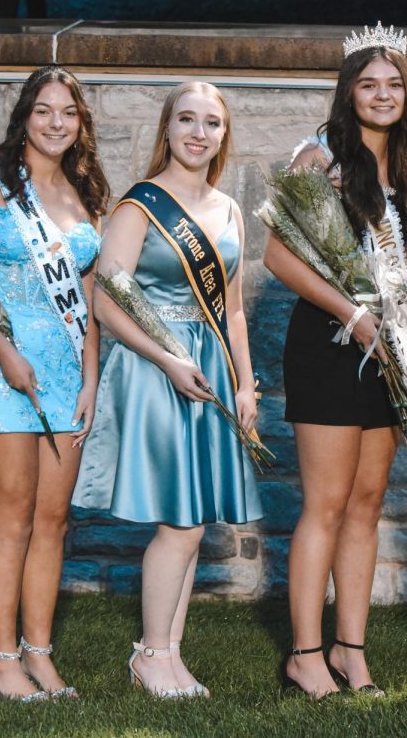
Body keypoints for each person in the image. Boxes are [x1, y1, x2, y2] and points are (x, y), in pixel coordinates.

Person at [263, 23, 407, 699]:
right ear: (348, 92)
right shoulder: (320, 155)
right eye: (369, 84)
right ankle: (305, 653)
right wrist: (350, 313)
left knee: (367, 503)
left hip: (388, 347)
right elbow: (278, 255)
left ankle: (350, 649)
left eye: (394, 85)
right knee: (327, 503)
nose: (383, 94)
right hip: (331, 345)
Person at [73, 81, 263, 698]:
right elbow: (104, 302)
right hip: (157, 368)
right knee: (178, 523)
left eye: (210, 122)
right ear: (168, 127)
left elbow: (232, 311)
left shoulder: (230, 210)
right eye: (187, 119)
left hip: (210, 368)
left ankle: (169, 656)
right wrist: (167, 359)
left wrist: (246, 385)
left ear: (222, 134)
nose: (197, 133)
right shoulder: (139, 206)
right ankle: (151, 656)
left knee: (196, 519)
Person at [0, 65, 108, 701]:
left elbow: (89, 301)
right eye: (44, 110)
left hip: (66, 373)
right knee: (11, 517)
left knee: (53, 519)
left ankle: (38, 654)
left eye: (68, 112)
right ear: (25, 117)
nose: (56, 122)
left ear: (81, 123)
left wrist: (92, 378)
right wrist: (6, 353)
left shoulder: (82, 192)